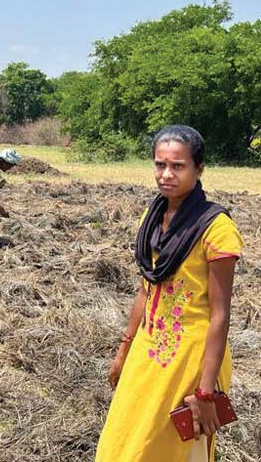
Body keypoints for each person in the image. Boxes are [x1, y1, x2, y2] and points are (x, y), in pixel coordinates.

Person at [95, 125, 243, 462]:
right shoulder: (153, 215)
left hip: (192, 355)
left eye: (178, 166)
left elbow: (220, 315)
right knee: (121, 441)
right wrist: (124, 350)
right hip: (147, 349)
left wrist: (205, 393)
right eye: (160, 165)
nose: (166, 174)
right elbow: (147, 288)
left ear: (199, 169)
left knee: (168, 449)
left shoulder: (217, 228)